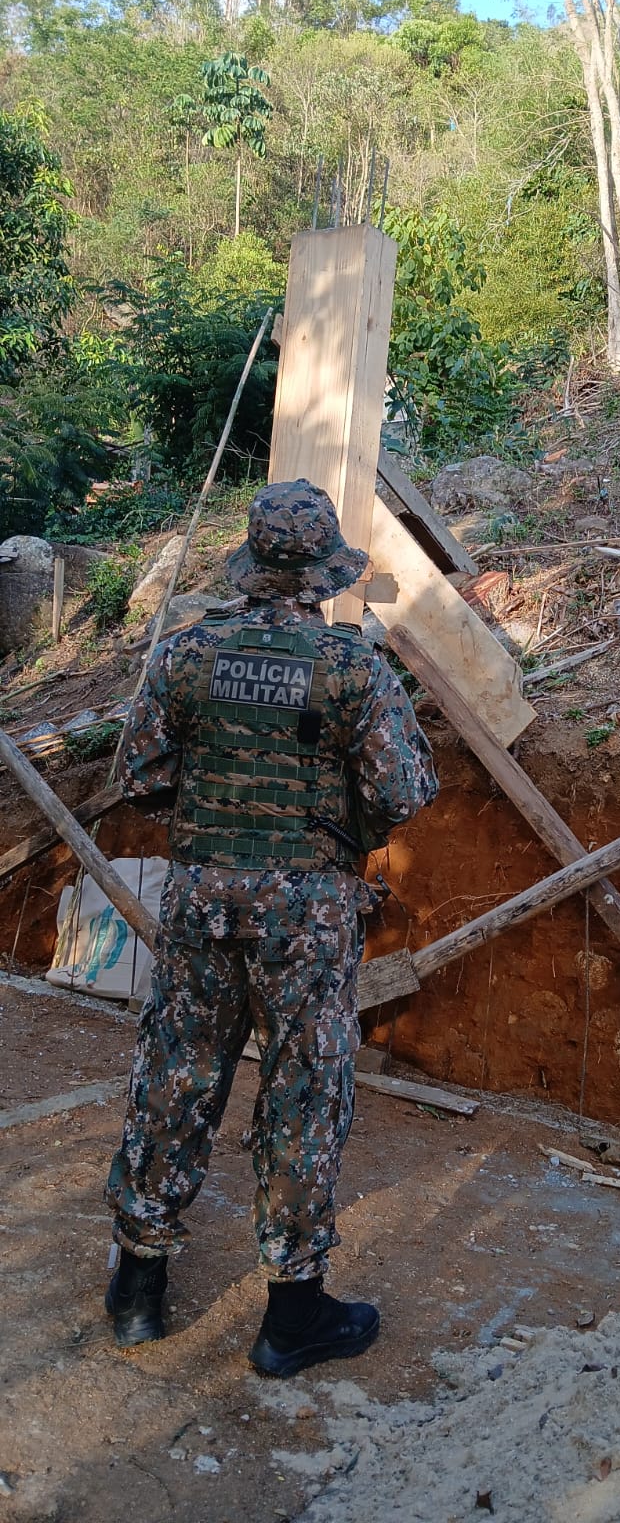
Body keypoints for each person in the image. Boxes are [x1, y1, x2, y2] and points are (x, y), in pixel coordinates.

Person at [104, 479, 438, 1377]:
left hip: (201, 902)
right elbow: (403, 793)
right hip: (306, 917)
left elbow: (136, 778)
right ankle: (291, 1316)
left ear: (251, 569)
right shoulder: (352, 668)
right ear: (323, 573)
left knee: (177, 1073)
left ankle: (138, 1288)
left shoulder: (184, 656)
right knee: (303, 1089)